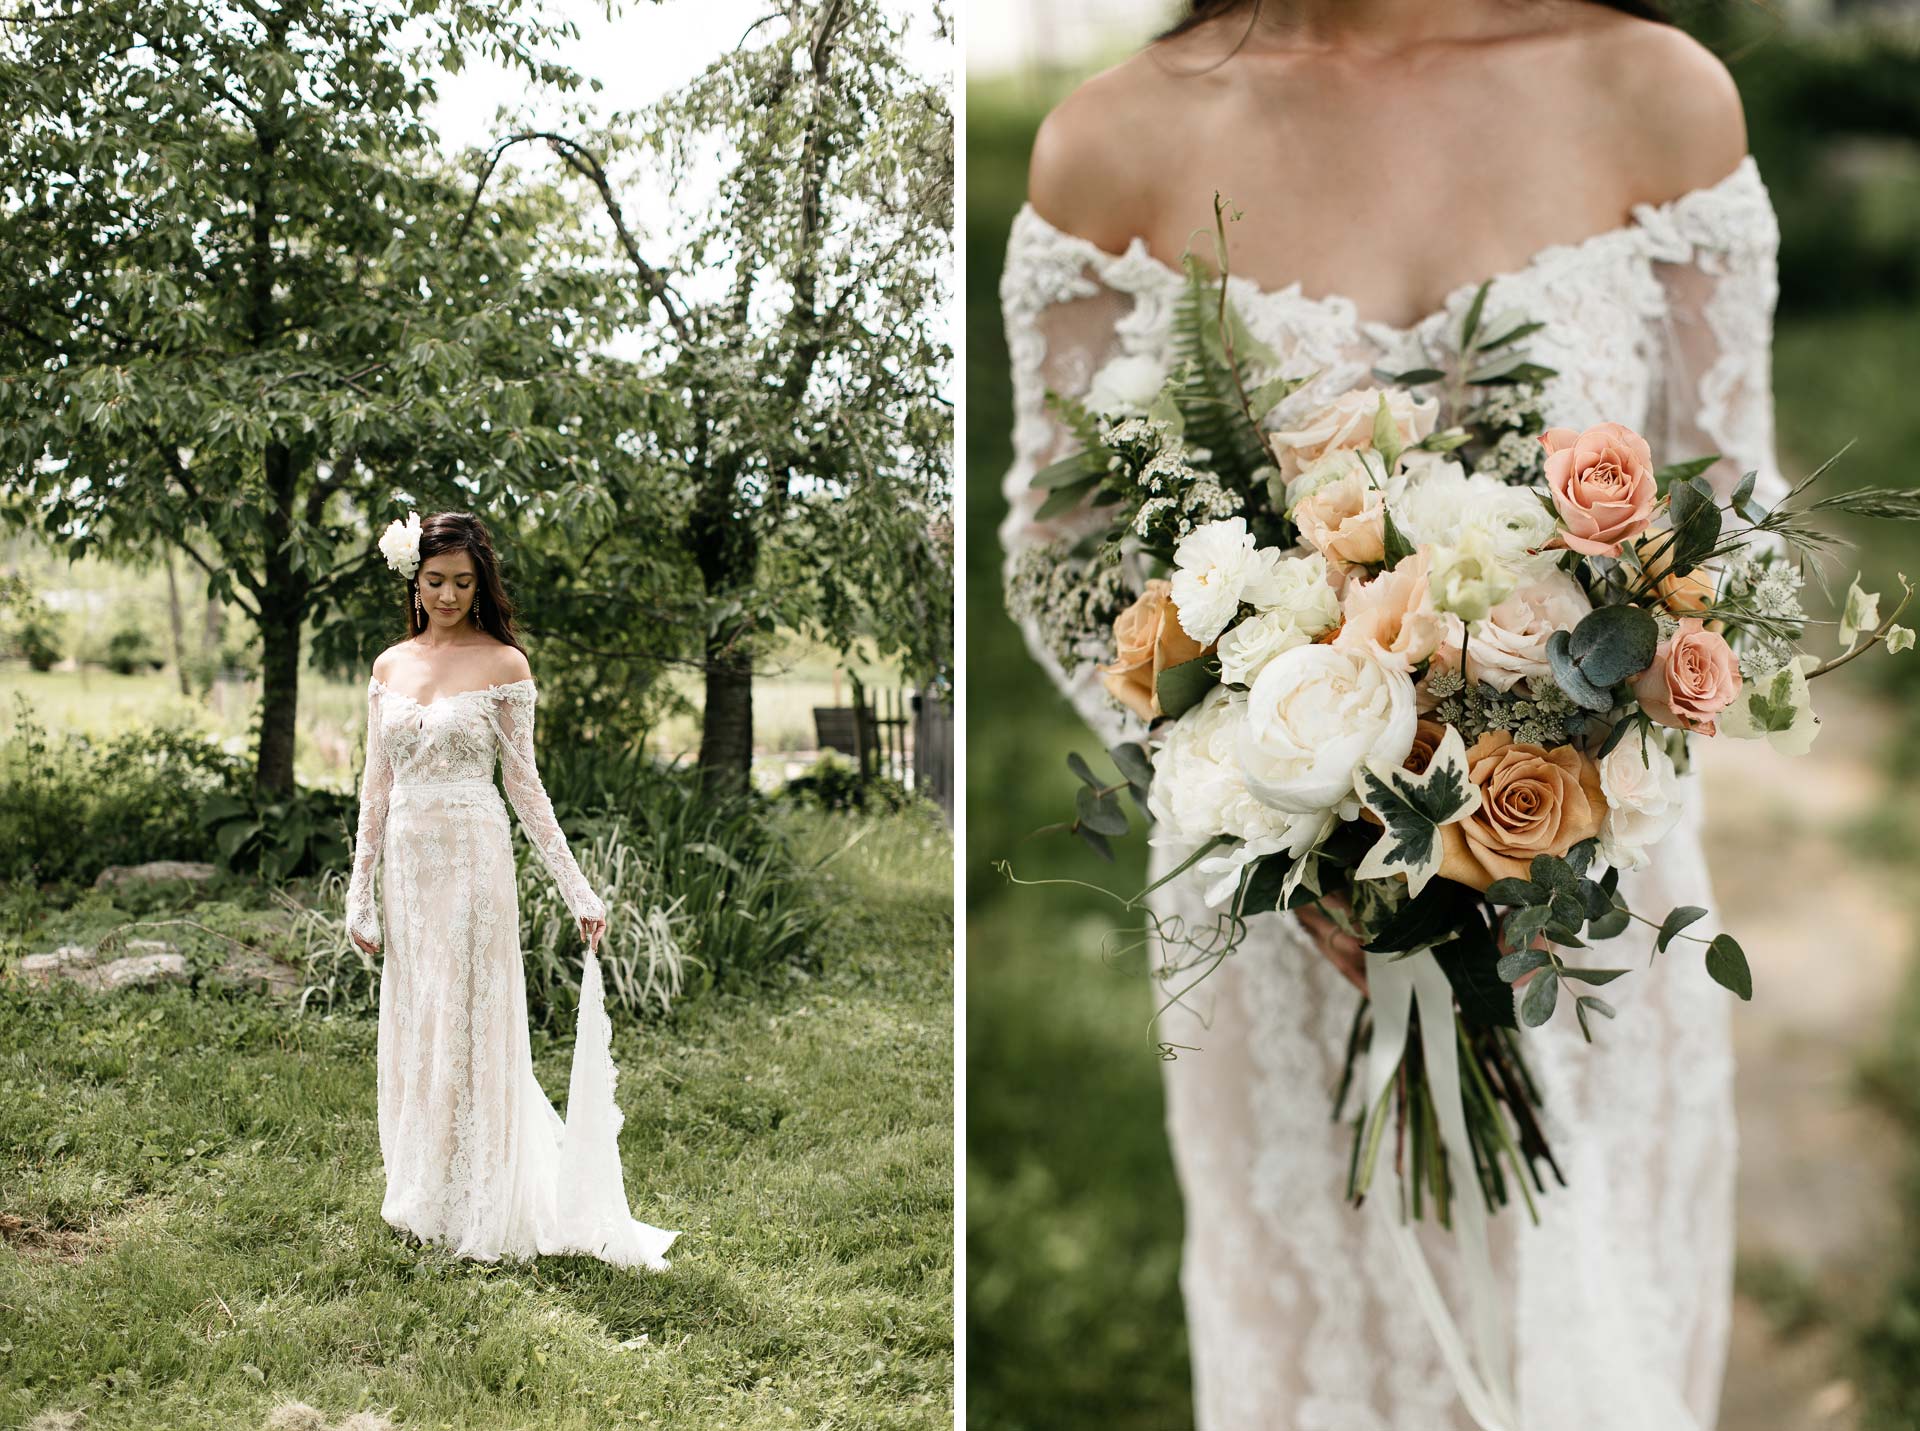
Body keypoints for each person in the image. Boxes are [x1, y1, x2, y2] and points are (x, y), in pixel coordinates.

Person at [998, 1, 1785, 1426]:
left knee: (1601, 1320)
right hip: (1289, 938)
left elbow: (1732, 526)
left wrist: (1574, 759)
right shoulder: (1110, 144)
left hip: (1595, 901)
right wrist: (1282, 804)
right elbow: (1062, 567)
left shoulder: (1660, 98)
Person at [345, 510, 679, 1270]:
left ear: (481, 582)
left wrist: (578, 888)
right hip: (409, 861)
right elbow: (374, 785)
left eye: (464, 582)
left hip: (473, 857)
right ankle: (425, 1188)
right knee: (419, 1019)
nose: (449, 595)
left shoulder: (505, 665)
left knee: (469, 1021)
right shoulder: (389, 665)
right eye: (436, 581)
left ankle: (481, 1192)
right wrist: (358, 892)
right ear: (414, 579)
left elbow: (525, 789)